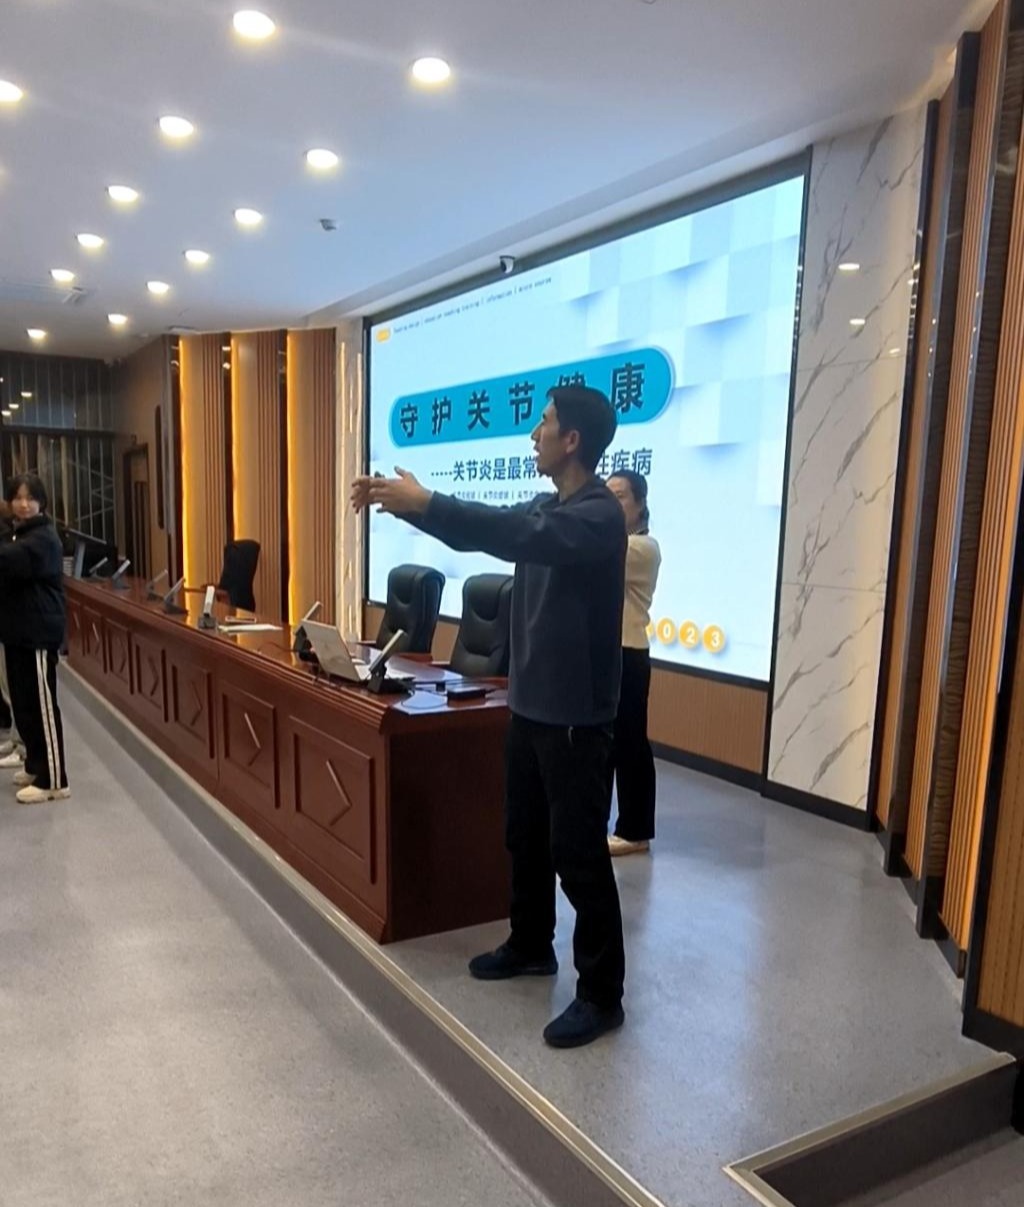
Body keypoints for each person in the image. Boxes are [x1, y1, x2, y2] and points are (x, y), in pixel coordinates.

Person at [352, 385, 627, 1048]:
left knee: (577, 854)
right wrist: (417, 509)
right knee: (522, 834)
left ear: (573, 441)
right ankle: (531, 943)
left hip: (575, 717)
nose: (533, 433)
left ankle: (601, 994)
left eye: (545, 422)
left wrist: (426, 502)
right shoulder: (546, 505)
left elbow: (514, 534)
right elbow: (492, 530)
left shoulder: (596, 516)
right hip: (528, 708)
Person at [0, 473, 70, 803]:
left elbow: (8, 562)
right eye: (17, 497)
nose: (23, 504)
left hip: (38, 632)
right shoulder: (19, 534)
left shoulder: (43, 538)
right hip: (18, 631)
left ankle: (54, 780)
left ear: (41, 502)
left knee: (42, 708)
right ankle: (35, 765)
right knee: (24, 706)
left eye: (30, 498)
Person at [606, 471, 661, 855]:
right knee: (607, 744)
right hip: (608, 652)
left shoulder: (642, 548)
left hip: (629, 653)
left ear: (640, 505)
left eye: (620, 497)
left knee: (629, 743)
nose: (611, 503)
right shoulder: (612, 541)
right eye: (606, 494)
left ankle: (635, 831)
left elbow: (594, 553)